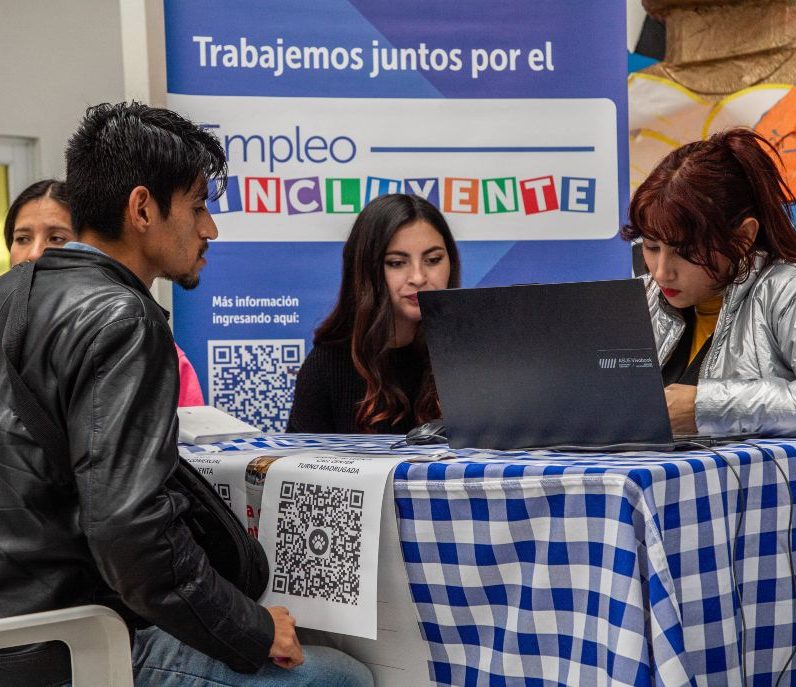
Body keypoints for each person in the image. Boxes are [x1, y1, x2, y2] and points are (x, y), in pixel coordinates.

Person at [0, 102, 372, 687]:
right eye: (198, 206)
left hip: (21, 632)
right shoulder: (123, 319)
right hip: (69, 645)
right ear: (143, 208)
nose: (210, 229)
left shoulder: (11, 293)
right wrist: (250, 628)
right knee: (339, 678)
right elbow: (131, 534)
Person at [621, 127, 796, 436]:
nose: (662, 272)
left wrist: (706, 408)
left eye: (686, 252)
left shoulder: (787, 289)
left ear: (743, 237)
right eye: (651, 247)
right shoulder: (644, 293)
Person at [3, 178, 205, 407]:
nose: (35, 253)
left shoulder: (145, 348)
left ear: (89, 247)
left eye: (57, 238)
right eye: (22, 239)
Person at [287, 193, 460, 434]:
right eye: (397, 263)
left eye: (433, 259)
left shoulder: (473, 356)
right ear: (366, 270)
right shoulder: (326, 366)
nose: (419, 277)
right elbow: (295, 468)